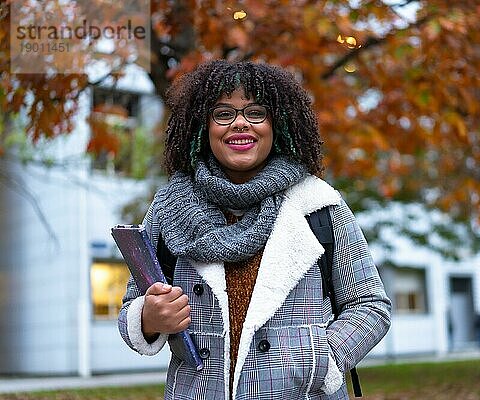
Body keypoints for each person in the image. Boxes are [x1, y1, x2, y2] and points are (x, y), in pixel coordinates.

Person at [118, 60, 392, 400]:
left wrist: (320, 359)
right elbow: (133, 307)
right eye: (223, 113)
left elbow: (371, 306)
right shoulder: (169, 207)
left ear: (278, 125)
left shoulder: (319, 205)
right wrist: (148, 316)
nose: (240, 124)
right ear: (202, 127)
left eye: (256, 112)